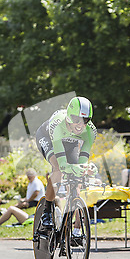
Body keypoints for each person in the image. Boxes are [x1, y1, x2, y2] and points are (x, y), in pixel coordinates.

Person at [35, 96, 97, 232]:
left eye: (85, 120)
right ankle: (47, 211)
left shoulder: (90, 131)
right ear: (69, 117)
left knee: (77, 180)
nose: (80, 124)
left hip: (70, 143)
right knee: (58, 168)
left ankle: (76, 229)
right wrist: (69, 167)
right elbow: (63, 164)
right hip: (48, 139)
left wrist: (85, 168)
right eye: (76, 119)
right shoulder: (57, 124)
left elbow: (83, 161)